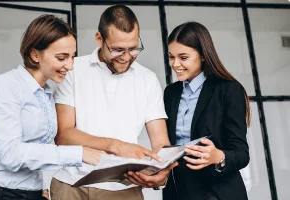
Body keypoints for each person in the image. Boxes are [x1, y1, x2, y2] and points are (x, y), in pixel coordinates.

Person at [0, 15, 104, 200]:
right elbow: (12, 154)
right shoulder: (6, 85)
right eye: (61, 58)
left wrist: (39, 186)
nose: (70, 66)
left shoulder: (45, 94)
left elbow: (37, 150)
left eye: (72, 57)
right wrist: (80, 153)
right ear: (35, 54)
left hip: (31, 194)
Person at [50, 5, 177, 200]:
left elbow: (160, 141)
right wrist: (116, 146)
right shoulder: (73, 70)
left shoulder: (148, 79)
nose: (126, 57)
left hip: (124, 190)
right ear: (99, 39)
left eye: (133, 49)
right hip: (71, 185)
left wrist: (163, 170)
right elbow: (63, 135)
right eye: (118, 49)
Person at [162, 21, 250, 200]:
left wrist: (218, 156)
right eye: (171, 57)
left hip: (218, 192)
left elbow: (241, 153)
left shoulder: (228, 89)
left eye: (183, 57)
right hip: (179, 191)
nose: (175, 64)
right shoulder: (170, 93)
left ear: (203, 55)